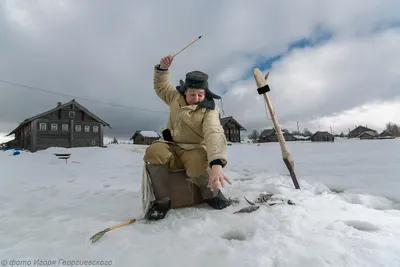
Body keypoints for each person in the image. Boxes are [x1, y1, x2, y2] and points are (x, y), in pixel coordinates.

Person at [142, 55, 233, 220]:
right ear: (185, 91)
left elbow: (214, 132)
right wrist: (163, 69)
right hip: (170, 144)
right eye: (192, 94)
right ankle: (162, 201)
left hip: (194, 148)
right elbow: (161, 86)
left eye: (200, 94)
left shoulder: (209, 110)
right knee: (154, 152)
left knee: (199, 161)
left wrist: (217, 162)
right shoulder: (175, 97)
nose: (197, 98)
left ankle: (212, 195)